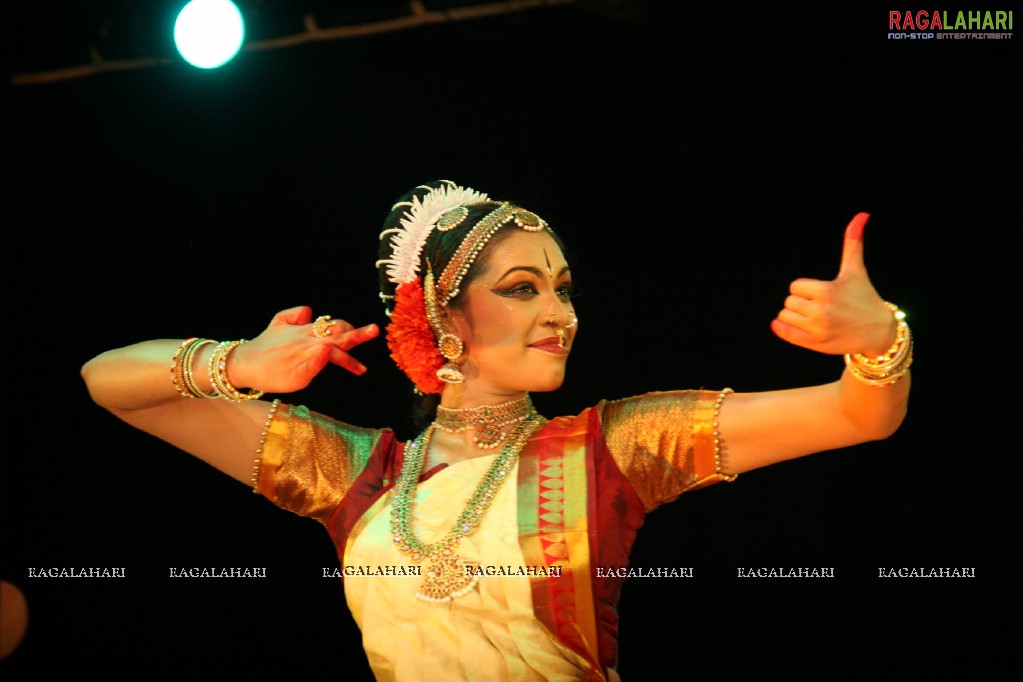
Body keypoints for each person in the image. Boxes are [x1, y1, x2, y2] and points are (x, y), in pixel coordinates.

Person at [81, 180, 911, 681]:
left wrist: (879, 342)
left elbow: (856, 413)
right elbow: (110, 382)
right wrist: (242, 365)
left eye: (563, 288)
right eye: (523, 288)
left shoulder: (609, 449)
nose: (559, 313)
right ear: (443, 313)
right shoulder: (356, 474)